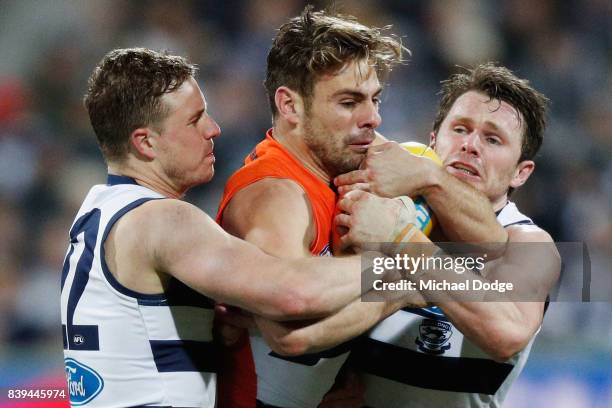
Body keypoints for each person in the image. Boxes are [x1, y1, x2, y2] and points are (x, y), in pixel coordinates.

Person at [59, 47, 402, 408]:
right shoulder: (164, 219)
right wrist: (408, 264)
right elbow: (294, 294)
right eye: (195, 120)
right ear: (145, 142)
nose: (214, 129)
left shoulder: (100, 209)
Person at [329, 62, 561, 407]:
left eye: (492, 138)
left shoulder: (528, 243)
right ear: (434, 140)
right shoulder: (380, 206)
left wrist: (400, 238)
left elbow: (506, 331)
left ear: (521, 173)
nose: (470, 145)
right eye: (460, 129)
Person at [215, 6, 410, 408]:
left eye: (374, 99)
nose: (372, 118)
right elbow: (290, 327)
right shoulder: (274, 195)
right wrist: (405, 276)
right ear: (290, 106)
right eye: (348, 102)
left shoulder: (346, 168)